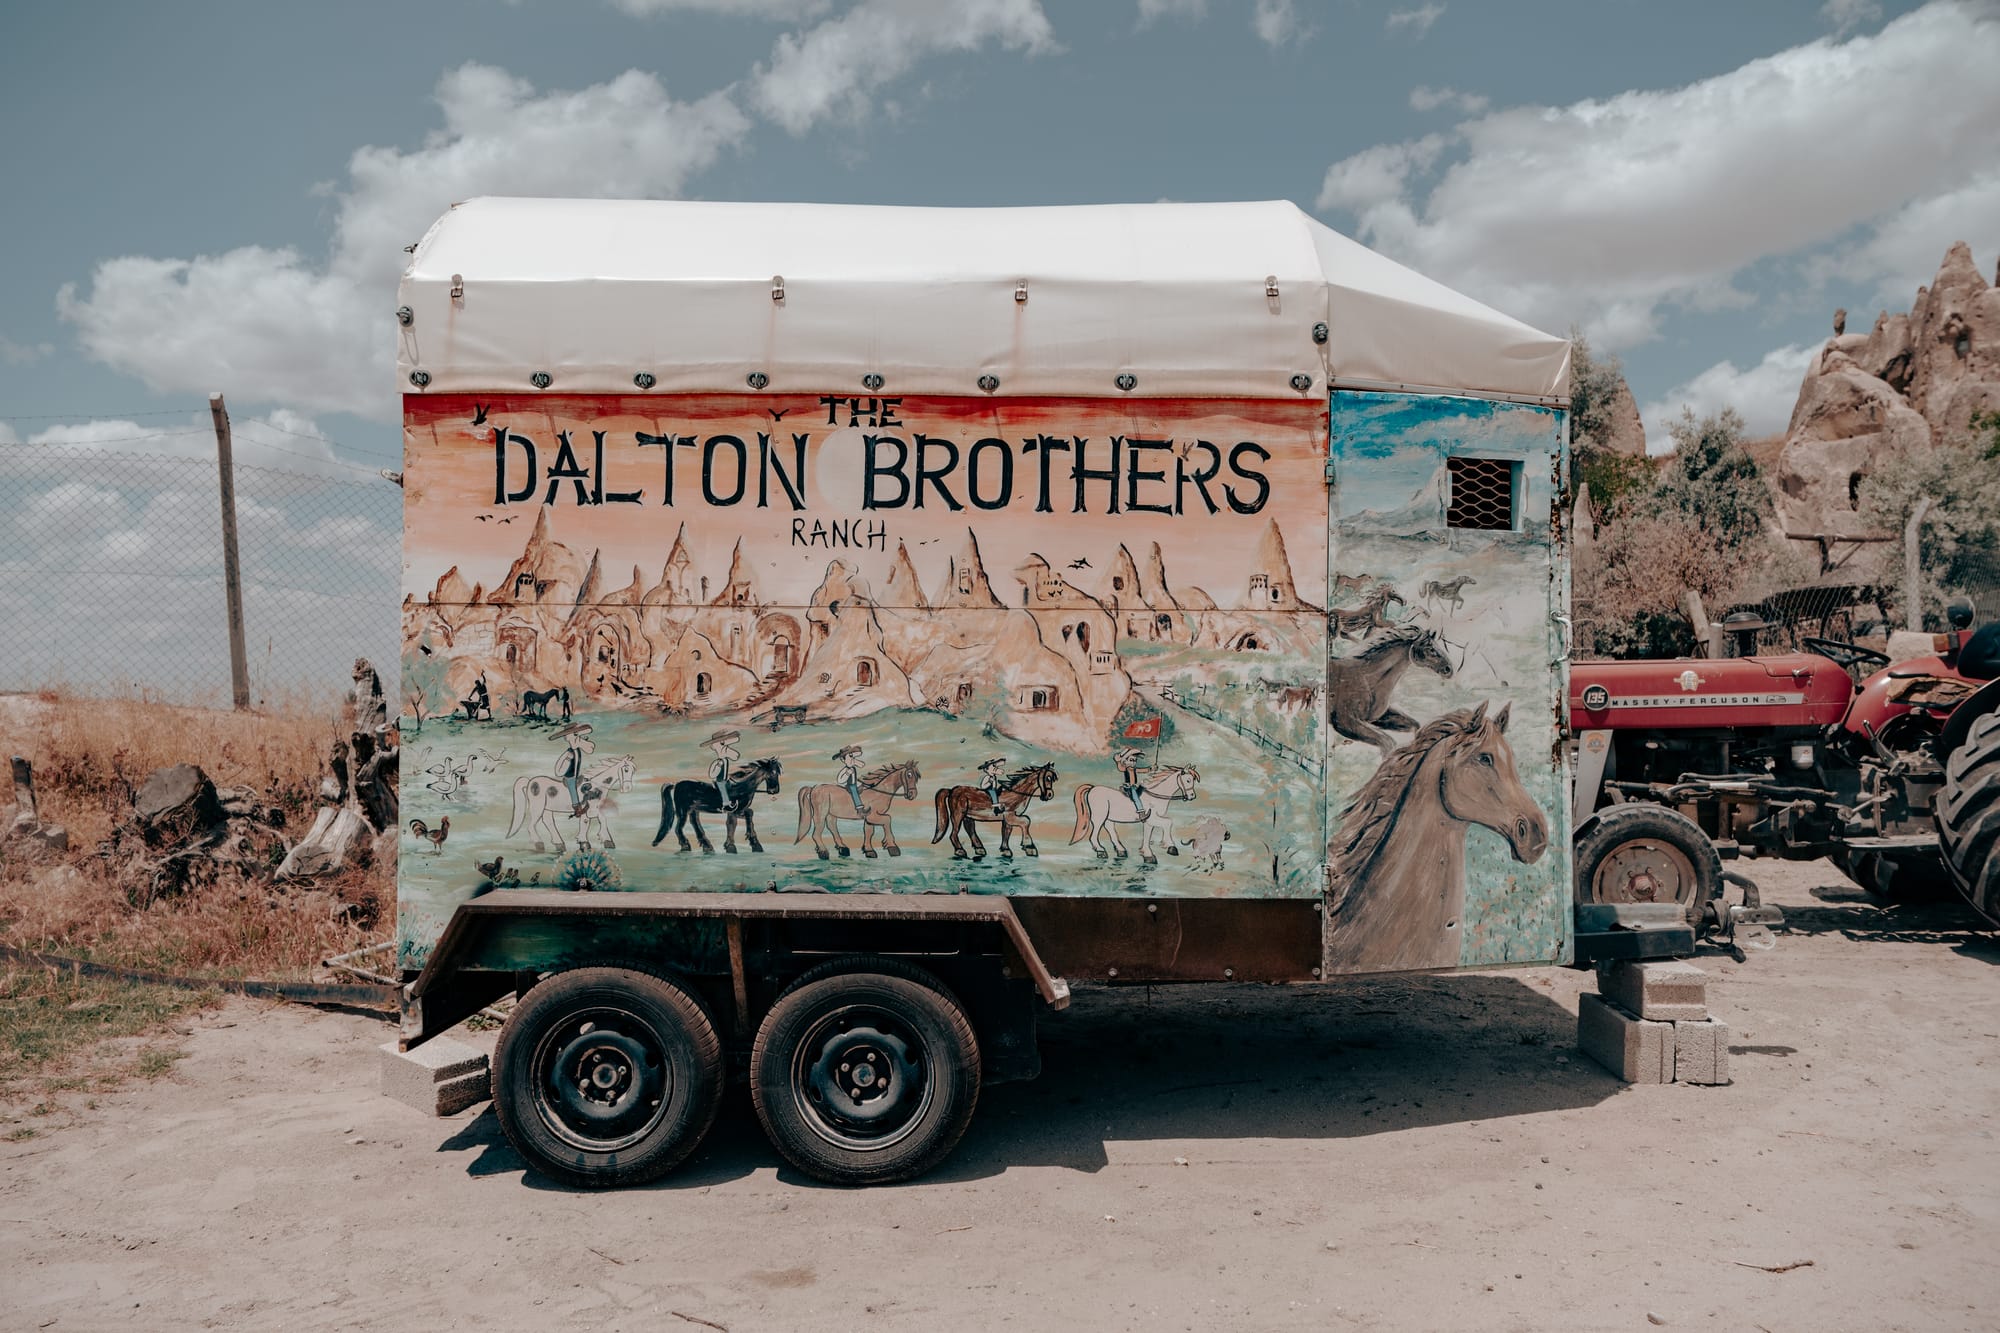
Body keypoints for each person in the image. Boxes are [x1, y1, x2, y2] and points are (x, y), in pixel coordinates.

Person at [552, 722, 595, 817]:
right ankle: (576, 807)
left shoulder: (577, 749)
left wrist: (580, 740)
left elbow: (590, 748)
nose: (565, 737)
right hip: (570, 776)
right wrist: (568, 759)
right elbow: (558, 771)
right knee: (572, 786)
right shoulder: (569, 753)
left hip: (576, 775)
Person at [705, 729, 742, 810]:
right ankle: (726, 805)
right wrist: (718, 766)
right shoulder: (717, 762)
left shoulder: (724, 758)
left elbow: (736, 755)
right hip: (720, 781)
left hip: (726, 780)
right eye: (721, 743)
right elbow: (712, 775)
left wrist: (726, 740)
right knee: (722, 788)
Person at [834, 744, 865, 817]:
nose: (852, 759)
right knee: (854, 790)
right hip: (850, 785)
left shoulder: (852, 765)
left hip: (855, 783)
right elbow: (840, 780)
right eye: (850, 757)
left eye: (852, 756)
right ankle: (859, 810)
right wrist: (848, 773)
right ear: (843, 760)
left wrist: (855, 761)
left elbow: (862, 765)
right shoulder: (846, 769)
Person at [1115, 745, 1148, 813]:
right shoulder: (1125, 768)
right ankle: (1140, 811)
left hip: (1135, 786)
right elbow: (1120, 768)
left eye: (1135, 760)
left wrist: (1152, 768)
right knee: (1135, 795)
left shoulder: (1135, 769)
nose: (1133, 762)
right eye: (1131, 760)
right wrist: (1118, 761)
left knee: (1144, 786)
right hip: (1129, 787)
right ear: (1125, 761)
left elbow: (1143, 770)